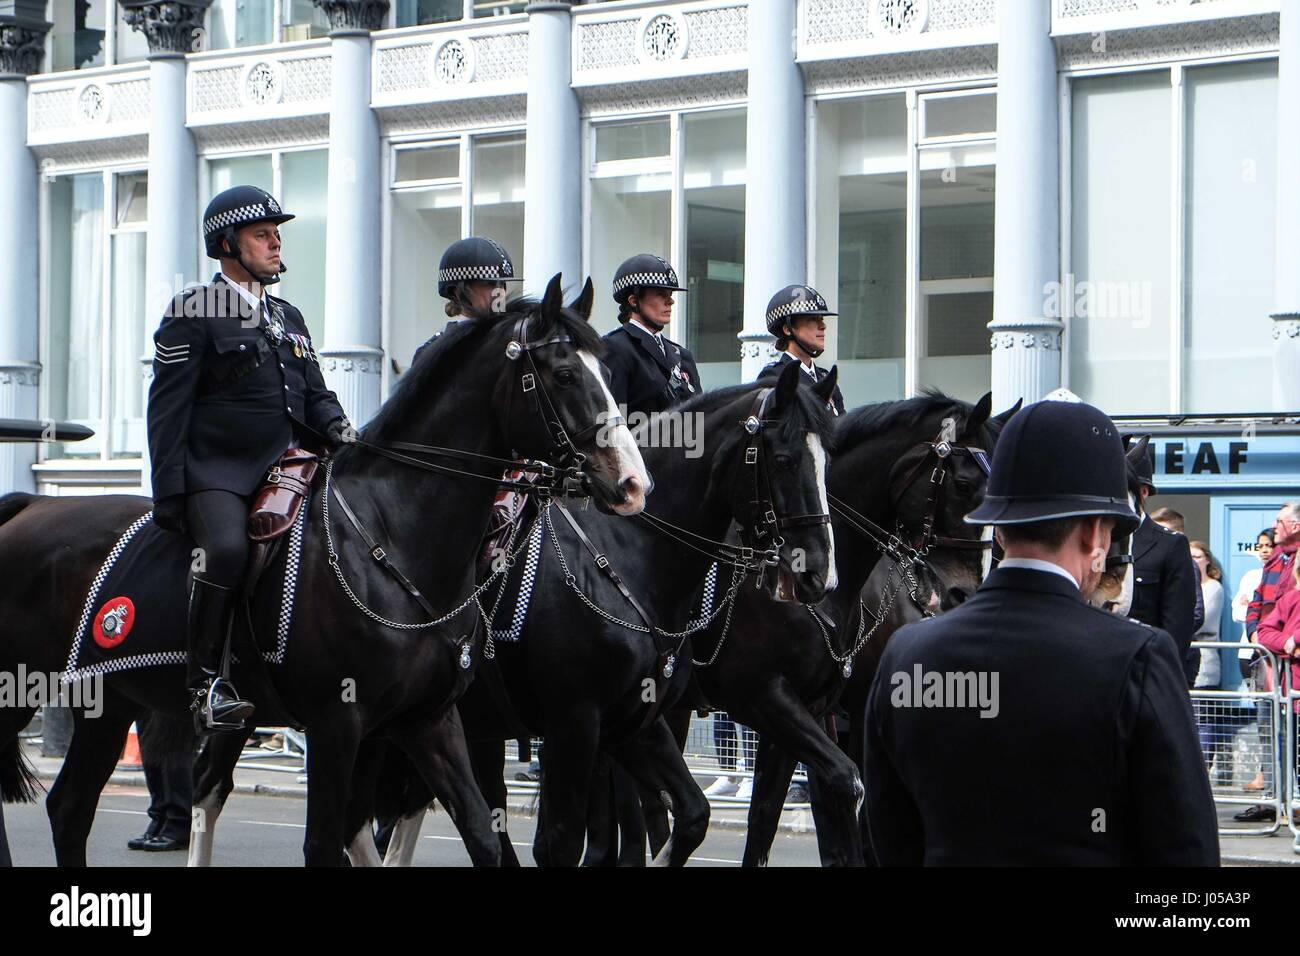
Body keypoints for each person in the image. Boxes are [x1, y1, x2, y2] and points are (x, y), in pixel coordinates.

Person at [864, 400, 1219, 865]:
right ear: (1096, 533)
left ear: (998, 529)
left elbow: (888, 835)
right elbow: (1186, 851)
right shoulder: (1137, 656)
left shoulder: (907, 652)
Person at [148, 185, 352, 735]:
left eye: (276, 234)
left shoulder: (289, 314)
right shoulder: (195, 308)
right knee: (227, 550)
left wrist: (339, 429)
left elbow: (315, 392)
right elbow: (168, 406)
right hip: (220, 472)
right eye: (262, 235)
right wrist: (169, 489)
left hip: (291, 465)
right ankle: (206, 683)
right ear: (227, 245)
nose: (275, 243)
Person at [1235, 505, 1300, 822]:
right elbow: (1257, 604)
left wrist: (1285, 644)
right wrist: (1259, 637)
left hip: (1292, 665)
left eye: (1279, 520)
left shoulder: (1297, 560)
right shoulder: (1276, 558)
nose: (1274, 526)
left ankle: (1293, 803)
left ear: (1296, 524)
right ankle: (1272, 801)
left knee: (1293, 734)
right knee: (1268, 730)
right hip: (1266, 657)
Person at [1124, 437, 1201, 685]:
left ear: (1142, 492)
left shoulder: (1170, 546)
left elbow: (1177, 630)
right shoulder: (1091, 542)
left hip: (1143, 675)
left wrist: (1159, 681)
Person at [601, 254, 701, 418]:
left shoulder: (683, 355)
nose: (670, 301)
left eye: (670, 294)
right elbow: (613, 423)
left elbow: (700, 418)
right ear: (634, 300)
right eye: (661, 294)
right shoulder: (614, 349)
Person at [757, 284, 845, 416]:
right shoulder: (775, 376)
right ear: (787, 329)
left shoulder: (824, 377)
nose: (823, 326)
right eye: (812, 319)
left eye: (821, 319)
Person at [1233, 528, 1274, 794]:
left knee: (1276, 717)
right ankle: (1264, 774)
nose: (1264, 550)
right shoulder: (1251, 576)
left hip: (1271, 652)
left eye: (1269, 545)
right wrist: (1251, 611)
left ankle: (1272, 777)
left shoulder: (1282, 574)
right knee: (1264, 718)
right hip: (1249, 654)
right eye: (1260, 546)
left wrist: (1254, 610)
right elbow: (1238, 611)